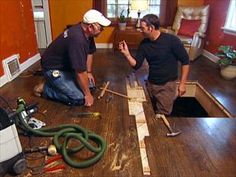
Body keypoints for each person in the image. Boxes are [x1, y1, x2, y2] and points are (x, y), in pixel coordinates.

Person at [34, 9, 111, 107]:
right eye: (101, 28)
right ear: (90, 27)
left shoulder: (87, 33)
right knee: (79, 98)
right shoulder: (77, 39)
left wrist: (89, 72)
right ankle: (45, 88)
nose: (102, 30)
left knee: (90, 86)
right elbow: (79, 71)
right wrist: (87, 95)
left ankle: (54, 83)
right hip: (52, 68)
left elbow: (90, 53)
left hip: (66, 66)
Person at [119, 14, 190, 116]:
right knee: (150, 112)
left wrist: (183, 84)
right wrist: (127, 54)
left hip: (167, 86)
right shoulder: (144, 44)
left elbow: (185, 61)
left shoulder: (172, 41)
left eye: (142, 28)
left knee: (162, 116)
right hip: (151, 84)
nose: (140, 30)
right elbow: (136, 65)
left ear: (151, 28)